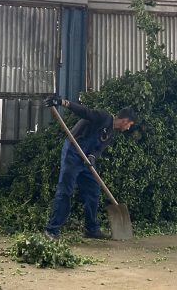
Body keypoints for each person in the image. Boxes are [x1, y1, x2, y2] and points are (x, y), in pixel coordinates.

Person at [43, 95, 135, 240]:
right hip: (73, 152)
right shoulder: (104, 117)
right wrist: (63, 103)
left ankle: (91, 229)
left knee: (93, 190)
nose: (128, 127)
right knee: (65, 190)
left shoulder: (111, 133)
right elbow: (85, 112)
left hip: (86, 160)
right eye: (130, 124)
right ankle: (52, 230)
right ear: (124, 120)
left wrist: (93, 156)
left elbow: (99, 149)